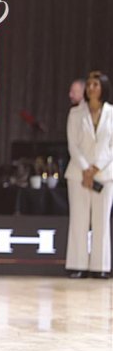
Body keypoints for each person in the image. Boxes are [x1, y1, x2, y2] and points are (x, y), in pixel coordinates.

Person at [65, 71, 112, 279]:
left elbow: (111, 147)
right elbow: (73, 145)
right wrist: (85, 168)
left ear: (103, 88)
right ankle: (78, 264)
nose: (91, 88)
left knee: (101, 221)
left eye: (95, 85)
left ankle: (100, 266)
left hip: (104, 174)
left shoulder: (111, 113)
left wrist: (96, 168)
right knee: (79, 219)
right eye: (89, 85)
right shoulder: (76, 113)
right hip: (78, 174)